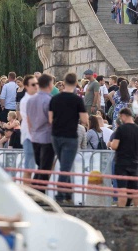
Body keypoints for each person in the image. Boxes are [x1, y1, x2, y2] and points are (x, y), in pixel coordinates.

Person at [49, 72, 88, 203]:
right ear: (76, 83)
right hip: (70, 136)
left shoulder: (54, 99)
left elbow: (50, 119)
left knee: (65, 163)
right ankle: (60, 196)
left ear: (64, 83)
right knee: (65, 167)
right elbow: (84, 119)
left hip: (55, 135)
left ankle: (68, 194)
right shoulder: (77, 100)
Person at [109, 108, 138, 207]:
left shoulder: (121, 129)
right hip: (134, 162)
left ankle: (121, 213)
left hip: (121, 162)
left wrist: (111, 143)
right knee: (135, 191)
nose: (121, 119)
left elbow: (115, 146)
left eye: (120, 117)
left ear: (124, 116)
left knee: (122, 190)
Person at [24, 74, 55, 182]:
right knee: (44, 170)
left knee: (40, 167)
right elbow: (51, 120)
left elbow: (28, 120)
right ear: (49, 84)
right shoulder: (50, 100)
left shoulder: (31, 100)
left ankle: (36, 192)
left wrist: (32, 133)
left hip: (34, 137)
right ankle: (38, 194)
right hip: (46, 138)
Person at [18, 76, 38, 172]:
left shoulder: (38, 98)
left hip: (39, 135)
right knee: (29, 165)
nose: (36, 86)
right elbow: (30, 119)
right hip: (30, 136)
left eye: (37, 83)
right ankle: (27, 185)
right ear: (26, 86)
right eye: (33, 84)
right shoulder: (25, 101)